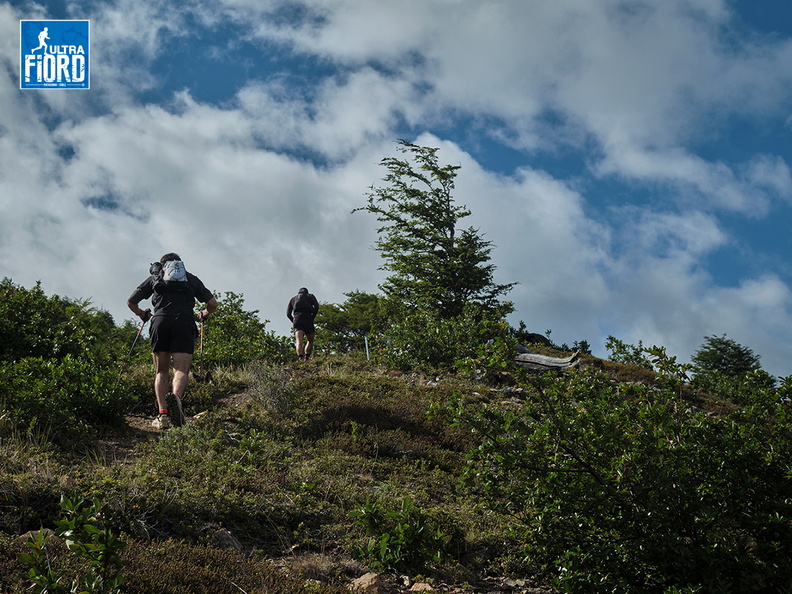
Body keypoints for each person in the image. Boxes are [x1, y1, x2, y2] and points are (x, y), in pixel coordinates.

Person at [127, 253, 218, 429]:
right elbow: (212, 303)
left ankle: (162, 416)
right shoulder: (191, 279)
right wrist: (204, 314)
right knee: (181, 369)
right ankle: (176, 397)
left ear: (162, 266)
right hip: (184, 322)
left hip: (160, 321)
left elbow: (131, 302)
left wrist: (142, 314)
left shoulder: (155, 278)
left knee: (161, 371)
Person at [286, 287, 319, 361]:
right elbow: (316, 307)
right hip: (308, 318)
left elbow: (288, 313)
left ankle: (300, 358)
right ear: (307, 292)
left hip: (297, 319)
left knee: (299, 341)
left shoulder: (293, 299)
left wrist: (294, 321)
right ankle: (306, 357)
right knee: (310, 340)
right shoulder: (310, 296)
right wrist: (312, 317)